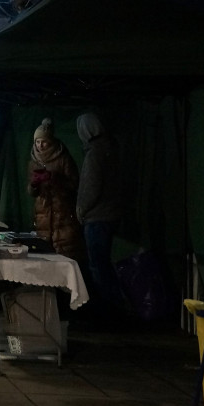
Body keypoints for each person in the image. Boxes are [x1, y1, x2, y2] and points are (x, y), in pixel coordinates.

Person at [76, 113, 126, 310]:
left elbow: (91, 186)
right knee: (104, 263)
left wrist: (81, 209)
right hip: (112, 214)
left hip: (97, 217)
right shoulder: (111, 150)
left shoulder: (94, 154)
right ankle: (114, 305)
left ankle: (107, 308)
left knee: (98, 265)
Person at [28, 118, 84, 261]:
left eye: (44, 141)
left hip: (63, 215)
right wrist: (34, 185)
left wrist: (55, 179)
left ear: (51, 141)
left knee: (65, 255)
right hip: (43, 216)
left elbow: (74, 185)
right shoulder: (34, 161)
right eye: (37, 142)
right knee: (45, 257)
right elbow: (31, 191)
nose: (40, 145)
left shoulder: (63, 158)